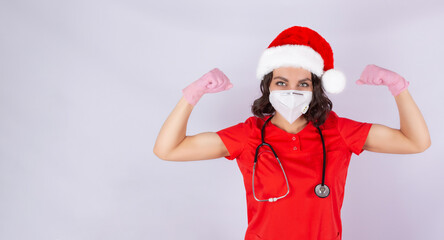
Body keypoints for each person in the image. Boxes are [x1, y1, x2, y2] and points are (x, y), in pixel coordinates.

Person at [153, 26, 431, 240]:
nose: (291, 91)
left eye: (303, 83)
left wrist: (398, 87)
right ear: (268, 86)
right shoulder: (249, 135)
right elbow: (167, 149)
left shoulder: (338, 131)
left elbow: (416, 142)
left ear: (315, 89)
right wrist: (193, 94)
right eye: (282, 82)